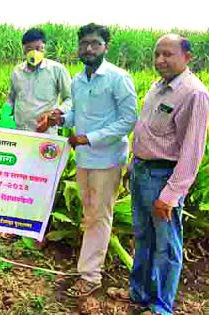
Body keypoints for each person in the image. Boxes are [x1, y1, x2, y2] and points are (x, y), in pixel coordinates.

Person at [38, 23, 137, 297]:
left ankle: (90, 276)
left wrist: (89, 138)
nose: (89, 48)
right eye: (84, 44)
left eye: (95, 43)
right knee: (89, 214)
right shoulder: (78, 80)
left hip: (107, 159)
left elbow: (128, 119)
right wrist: (61, 118)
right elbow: (76, 116)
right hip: (84, 158)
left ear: (106, 46)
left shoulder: (118, 78)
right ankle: (87, 266)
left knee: (99, 216)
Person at [129, 34, 209, 315]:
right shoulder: (158, 87)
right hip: (142, 171)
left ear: (187, 58)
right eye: (156, 54)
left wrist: (171, 194)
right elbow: (145, 132)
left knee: (166, 246)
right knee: (142, 237)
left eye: (168, 54)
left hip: (163, 177)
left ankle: (161, 307)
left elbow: (192, 151)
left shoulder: (194, 93)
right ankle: (139, 294)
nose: (160, 60)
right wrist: (132, 167)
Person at [7, 28, 72, 134]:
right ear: (23, 50)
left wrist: (56, 112)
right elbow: (12, 98)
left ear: (44, 48)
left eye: (38, 48)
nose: (34, 53)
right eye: (29, 49)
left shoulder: (57, 70)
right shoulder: (17, 71)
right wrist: (6, 112)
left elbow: (70, 99)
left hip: (45, 132)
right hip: (20, 131)